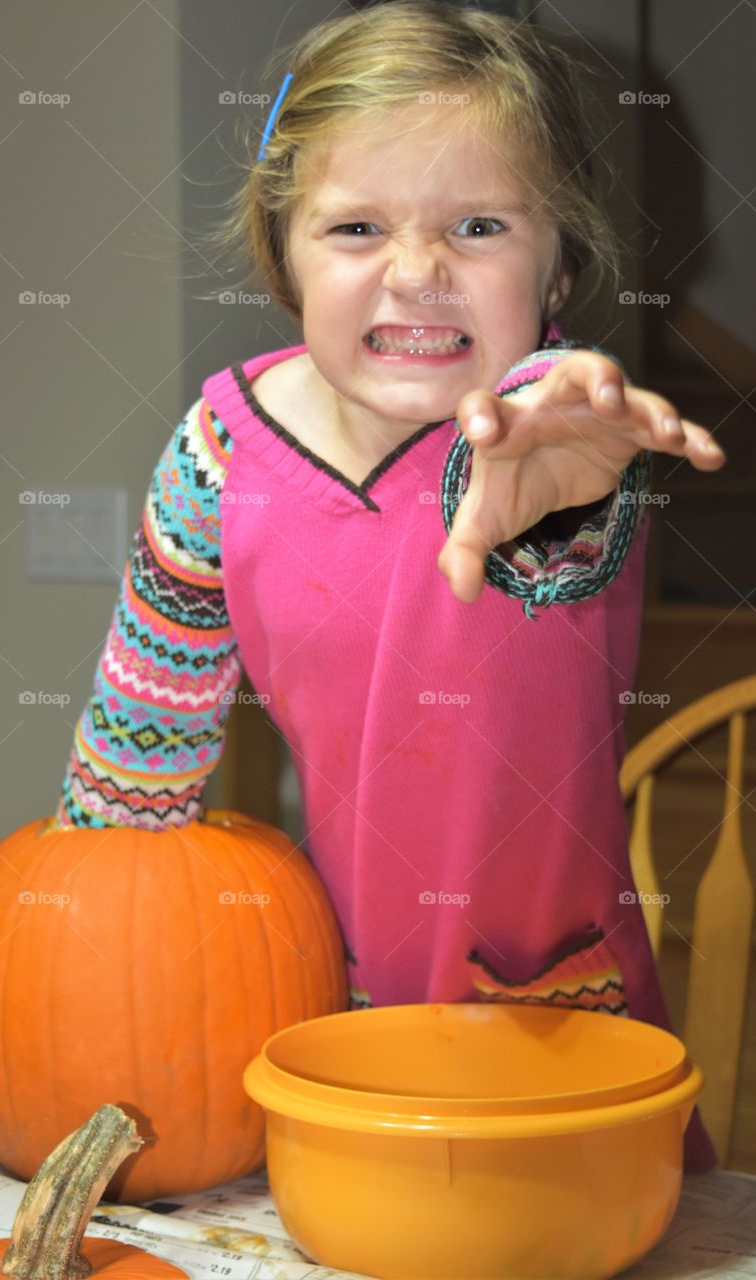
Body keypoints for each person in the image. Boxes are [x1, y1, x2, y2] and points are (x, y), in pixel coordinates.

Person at [52, 1, 725, 1170]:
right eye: (356, 225)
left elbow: (552, 521)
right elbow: (132, 772)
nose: (417, 272)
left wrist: (559, 485)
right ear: (283, 249)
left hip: (558, 1033)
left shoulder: (551, 433)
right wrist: (72, 954)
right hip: (332, 1016)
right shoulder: (217, 448)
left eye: (477, 224)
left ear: (558, 259)